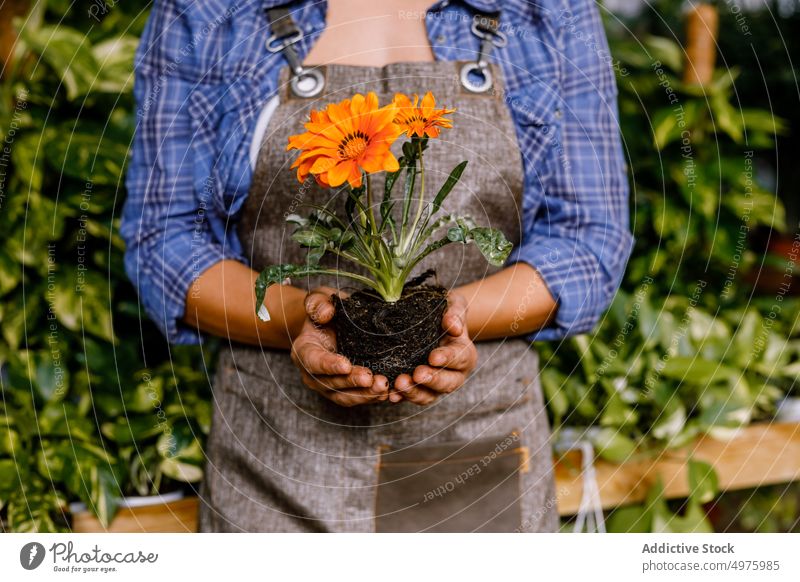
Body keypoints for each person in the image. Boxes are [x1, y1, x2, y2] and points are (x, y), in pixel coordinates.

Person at [122, 0, 632, 532]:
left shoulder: (549, 10)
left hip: (472, 453)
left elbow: (587, 241)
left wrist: (445, 318)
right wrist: (306, 318)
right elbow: (165, 240)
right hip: (276, 458)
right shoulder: (208, 11)